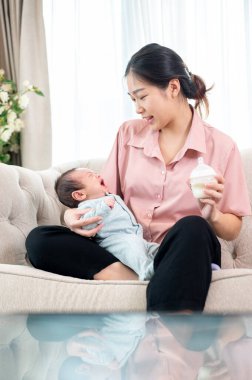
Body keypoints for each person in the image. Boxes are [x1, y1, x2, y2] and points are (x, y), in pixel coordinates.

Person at [26, 43, 251, 312]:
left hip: (180, 251)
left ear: (173, 88)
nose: (138, 109)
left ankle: (163, 307)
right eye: (132, 99)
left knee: (194, 226)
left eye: (142, 97)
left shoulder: (222, 146)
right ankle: (134, 278)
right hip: (123, 251)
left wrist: (212, 214)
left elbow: (234, 227)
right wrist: (71, 217)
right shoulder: (128, 135)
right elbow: (103, 195)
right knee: (40, 239)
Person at [55, 167, 159, 280]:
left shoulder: (107, 196)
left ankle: (166, 263)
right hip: (117, 241)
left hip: (137, 237)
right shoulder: (87, 207)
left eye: (95, 172)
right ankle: (146, 271)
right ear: (80, 195)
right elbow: (87, 224)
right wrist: (103, 207)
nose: (98, 175)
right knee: (134, 252)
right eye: (91, 175)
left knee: (157, 249)